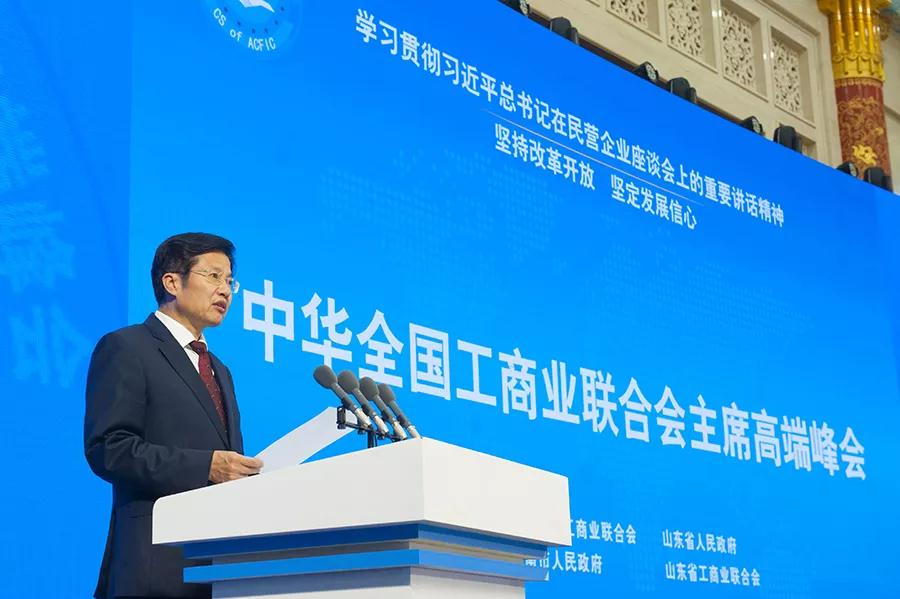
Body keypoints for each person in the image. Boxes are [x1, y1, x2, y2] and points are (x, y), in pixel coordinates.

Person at [84, 232, 263, 598]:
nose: (225, 290)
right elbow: (109, 449)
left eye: (230, 281)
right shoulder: (127, 347)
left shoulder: (220, 370)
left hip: (219, 569)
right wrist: (206, 466)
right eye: (213, 276)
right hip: (155, 565)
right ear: (172, 282)